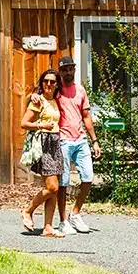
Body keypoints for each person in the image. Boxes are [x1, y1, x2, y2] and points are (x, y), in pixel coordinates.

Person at [34, 55, 101, 235]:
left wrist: (94, 141)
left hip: (80, 139)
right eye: (64, 69)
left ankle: (75, 213)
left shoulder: (80, 90)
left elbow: (86, 116)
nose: (68, 72)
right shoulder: (56, 89)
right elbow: (40, 93)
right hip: (62, 139)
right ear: (60, 71)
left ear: (75, 69)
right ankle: (63, 221)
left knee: (87, 177)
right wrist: (34, 94)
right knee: (63, 183)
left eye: (70, 68)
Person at [19, 69, 65, 237]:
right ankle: (28, 210)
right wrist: (42, 126)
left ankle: (48, 227)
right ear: (42, 83)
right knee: (53, 187)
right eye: (46, 81)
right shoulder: (38, 101)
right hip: (44, 143)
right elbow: (23, 123)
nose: (49, 84)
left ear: (57, 84)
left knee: (53, 190)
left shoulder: (56, 101)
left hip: (55, 144)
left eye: (53, 81)